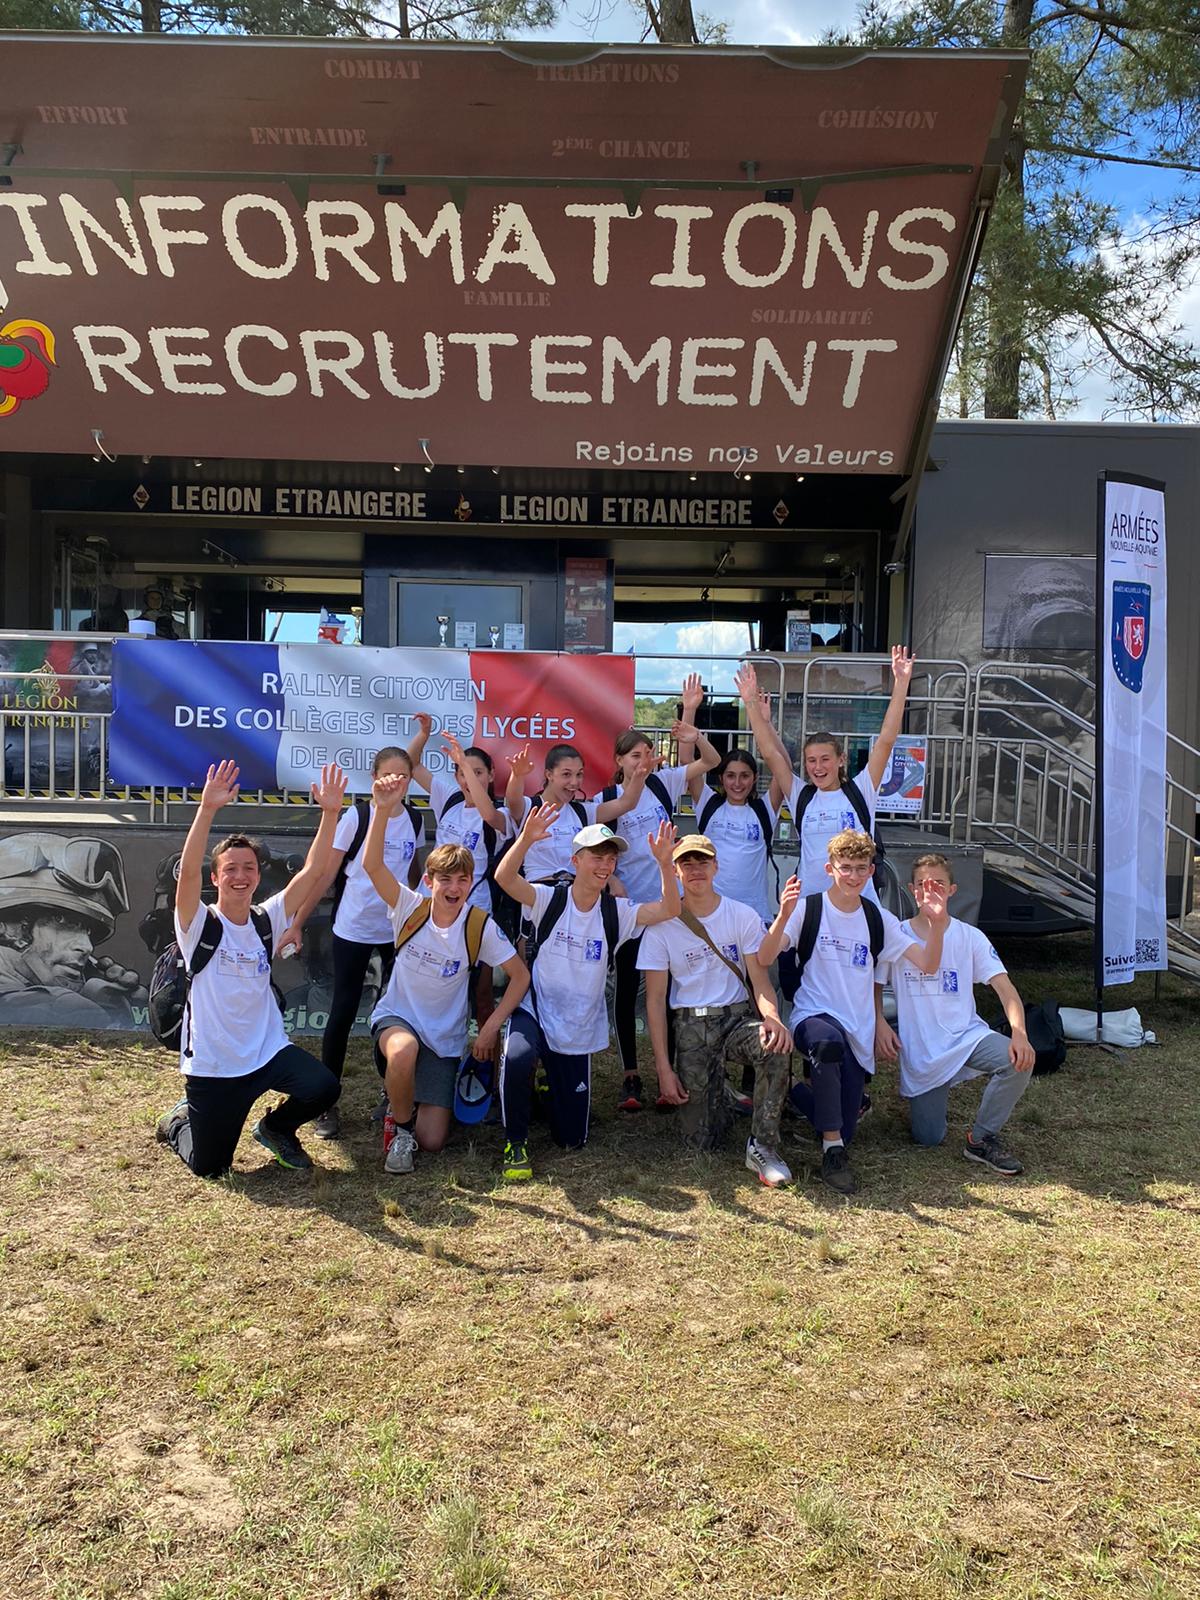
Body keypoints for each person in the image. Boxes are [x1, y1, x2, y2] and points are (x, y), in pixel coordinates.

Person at [154, 759, 348, 1179]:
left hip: (266, 1053)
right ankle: (178, 1122)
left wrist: (330, 813)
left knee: (324, 1087)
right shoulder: (198, 924)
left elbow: (314, 871)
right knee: (212, 1168)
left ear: (258, 875)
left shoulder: (266, 918)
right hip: (214, 1065)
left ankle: (276, 1128)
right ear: (216, 877)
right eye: (230, 869)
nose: (240, 876)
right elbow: (186, 879)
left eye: (248, 868)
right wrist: (207, 809)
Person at [493, 806, 679, 1182]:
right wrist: (525, 839)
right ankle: (515, 1141)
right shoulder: (548, 899)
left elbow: (670, 909)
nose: (605, 865)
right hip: (536, 1010)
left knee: (572, 1139)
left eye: (611, 859)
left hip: (576, 1027)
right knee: (517, 1058)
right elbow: (505, 878)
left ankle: (548, 1089)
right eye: (597, 857)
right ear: (576, 861)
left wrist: (664, 864)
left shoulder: (617, 912)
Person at [758, 829, 947, 1196]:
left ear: (872, 870)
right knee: (827, 1047)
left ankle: (793, 1091)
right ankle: (832, 1154)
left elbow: (927, 964)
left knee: (844, 1127)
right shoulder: (808, 909)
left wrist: (937, 925)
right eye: (845, 867)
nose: (853, 876)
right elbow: (765, 958)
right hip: (813, 1017)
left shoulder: (878, 918)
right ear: (829, 868)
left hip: (857, 1029)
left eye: (862, 868)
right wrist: (782, 916)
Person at [364, 772, 529, 1176]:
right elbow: (372, 865)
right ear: (429, 881)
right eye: (445, 879)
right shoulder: (410, 907)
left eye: (462, 880)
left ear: (471, 882)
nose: (453, 888)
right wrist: (381, 811)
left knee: (434, 1141)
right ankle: (401, 1129)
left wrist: (489, 1029)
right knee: (403, 1051)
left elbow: (520, 977)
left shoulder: (478, 924)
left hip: (444, 1040)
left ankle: (408, 1099)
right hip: (398, 1020)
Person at [278, 747, 422, 1140]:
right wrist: (297, 923)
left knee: (394, 1016)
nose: (395, 782)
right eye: (388, 775)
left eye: (403, 776)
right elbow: (325, 874)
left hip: (395, 933)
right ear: (373, 778)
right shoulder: (356, 817)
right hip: (354, 929)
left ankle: (392, 1096)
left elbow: (411, 876)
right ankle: (327, 1102)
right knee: (342, 1013)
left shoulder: (415, 818)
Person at [637, 833, 794, 1188]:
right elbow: (655, 1002)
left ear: (716, 867)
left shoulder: (741, 915)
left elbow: (760, 981)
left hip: (736, 1019)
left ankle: (763, 1147)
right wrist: (663, 1069)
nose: (696, 870)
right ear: (675, 872)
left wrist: (772, 1018)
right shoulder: (661, 926)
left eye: (702, 862)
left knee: (774, 1045)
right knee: (701, 1141)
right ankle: (720, 1093)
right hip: (691, 1025)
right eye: (686, 863)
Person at [601, 676, 720, 1112]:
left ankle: (668, 1071)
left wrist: (693, 727)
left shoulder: (662, 782)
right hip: (631, 909)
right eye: (635, 756)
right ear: (619, 760)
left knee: (666, 991)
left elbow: (712, 760)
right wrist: (612, 883)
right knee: (626, 988)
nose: (643, 761)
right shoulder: (606, 797)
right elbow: (600, 853)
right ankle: (630, 1076)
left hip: (668, 905)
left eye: (647, 754)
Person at [874, 852, 1035, 1175]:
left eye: (938, 884)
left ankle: (982, 1138)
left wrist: (1019, 1034)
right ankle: (934, 1091)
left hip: (966, 1036)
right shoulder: (897, 934)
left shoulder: (970, 936)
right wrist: (880, 1023)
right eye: (923, 884)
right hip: (924, 1052)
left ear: (951, 890)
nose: (930, 891)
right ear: (912, 890)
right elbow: (874, 986)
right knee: (928, 1138)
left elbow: (1006, 990)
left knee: (1016, 1061)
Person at [736, 648, 915, 909]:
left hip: (859, 907)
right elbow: (770, 753)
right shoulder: (801, 796)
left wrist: (901, 683)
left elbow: (886, 740)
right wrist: (750, 703)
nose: (818, 767)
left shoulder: (861, 790)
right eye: (811, 760)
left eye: (825, 759)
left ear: (841, 759)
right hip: (812, 907)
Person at [405, 717, 510, 1023]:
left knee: (480, 992)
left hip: (474, 910)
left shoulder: (501, 813)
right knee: (432, 982)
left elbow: (487, 814)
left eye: (478, 773)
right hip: (431, 907)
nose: (468, 779)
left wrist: (463, 763)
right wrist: (423, 734)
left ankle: (483, 1047)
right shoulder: (449, 799)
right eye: (463, 773)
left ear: (491, 775)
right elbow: (411, 765)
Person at [0, 832, 144, 1028]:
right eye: (63, 922)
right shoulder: (60, 1006)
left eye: (87, 931)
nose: (87, 947)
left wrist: (133, 1014)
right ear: (10, 928)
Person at [504, 741, 648, 883]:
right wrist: (517, 776)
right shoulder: (531, 807)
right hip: (538, 891)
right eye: (566, 774)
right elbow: (513, 800)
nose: (574, 782)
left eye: (579, 774)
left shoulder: (582, 812)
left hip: (576, 892)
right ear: (549, 774)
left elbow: (626, 803)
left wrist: (641, 774)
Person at [685, 746, 782, 925]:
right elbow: (686, 760)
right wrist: (694, 736)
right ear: (721, 778)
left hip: (755, 916)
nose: (737, 783)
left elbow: (782, 766)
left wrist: (765, 733)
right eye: (730, 776)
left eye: (744, 776)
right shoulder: (708, 804)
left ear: (755, 778)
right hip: (711, 915)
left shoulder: (764, 810)